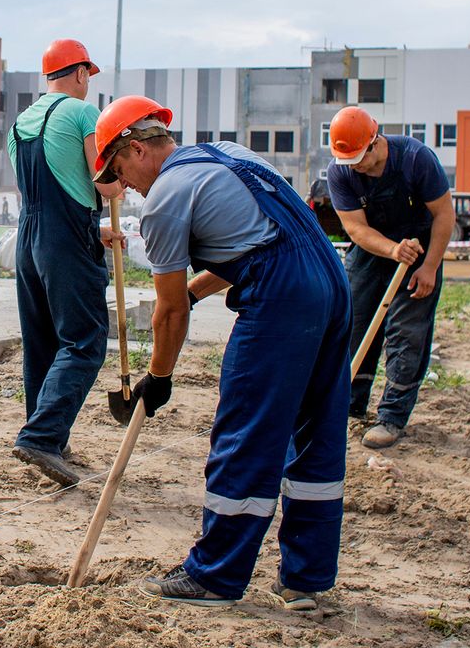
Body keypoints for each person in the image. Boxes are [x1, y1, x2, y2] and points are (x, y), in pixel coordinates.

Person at [91, 95, 351, 610]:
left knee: (246, 432)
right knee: (316, 433)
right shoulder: (230, 154)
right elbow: (257, 244)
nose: (125, 186)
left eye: (120, 170)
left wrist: (158, 377)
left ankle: (214, 576)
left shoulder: (165, 196)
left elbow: (169, 313)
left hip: (282, 297)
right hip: (330, 281)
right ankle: (307, 579)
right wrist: (193, 291)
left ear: (138, 149)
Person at [8, 39, 122, 486]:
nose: (88, 84)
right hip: (64, 240)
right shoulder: (82, 113)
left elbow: (47, 193)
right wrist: (119, 187)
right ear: (79, 74)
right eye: (88, 77)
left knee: (42, 343)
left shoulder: (22, 121)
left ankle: (47, 433)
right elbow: (103, 180)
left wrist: (94, 230)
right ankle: (42, 436)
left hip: (30, 237)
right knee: (85, 339)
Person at [327, 106, 454, 449]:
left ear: (375, 142)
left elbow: (444, 214)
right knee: (352, 322)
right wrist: (392, 249)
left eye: (358, 158)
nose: (353, 166)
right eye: (347, 160)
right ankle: (349, 404)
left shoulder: (415, 159)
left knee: (407, 333)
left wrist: (429, 266)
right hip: (373, 249)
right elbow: (355, 228)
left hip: (421, 249)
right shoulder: (340, 173)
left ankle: (392, 417)